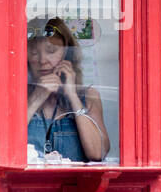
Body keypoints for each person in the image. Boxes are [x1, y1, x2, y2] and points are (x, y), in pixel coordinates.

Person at [26, 17, 109, 162]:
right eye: (33, 52)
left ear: (66, 54)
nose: (42, 60)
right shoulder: (16, 96)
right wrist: (35, 99)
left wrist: (72, 96)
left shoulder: (88, 96)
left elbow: (97, 153)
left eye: (51, 51)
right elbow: (3, 147)